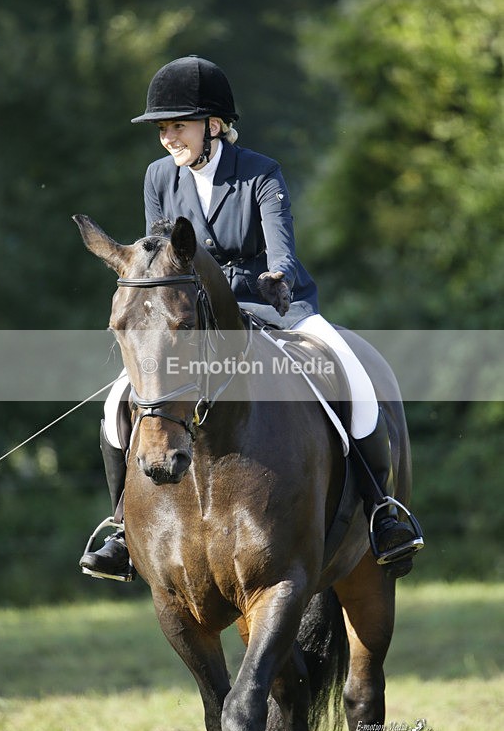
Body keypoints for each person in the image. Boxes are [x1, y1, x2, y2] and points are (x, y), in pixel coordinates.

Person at [79, 55, 423, 581]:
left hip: (273, 303)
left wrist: (277, 277)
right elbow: (161, 254)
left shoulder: (260, 172)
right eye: (163, 129)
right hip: (199, 318)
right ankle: (123, 529)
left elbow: (280, 247)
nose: (169, 138)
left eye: (179, 126)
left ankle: (381, 511)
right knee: (114, 406)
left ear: (213, 126)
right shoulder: (157, 178)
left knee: (353, 376)